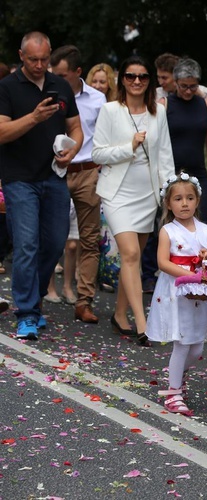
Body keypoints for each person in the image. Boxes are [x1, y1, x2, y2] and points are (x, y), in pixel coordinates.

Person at [0, 31, 83, 339]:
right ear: (21, 56)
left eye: (44, 59)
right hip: (19, 178)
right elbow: (1, 133)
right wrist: (33, 118)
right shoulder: (6, 88)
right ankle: (27, 312)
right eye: (33, 59)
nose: (39, 65)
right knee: (26, 245)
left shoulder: (60, 85)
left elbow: (75, 126)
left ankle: (32, 300)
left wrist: (72, 150)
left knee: (54, 243)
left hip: (54, 177)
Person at [92, 55, 175, 346]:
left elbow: (165, 155)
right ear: (122, 80)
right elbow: (98, 154)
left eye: (142, 76)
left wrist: (170, 193)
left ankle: (119, 314)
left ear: (149, 80)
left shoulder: (159, 113)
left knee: (134, 258)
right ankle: (143, 323)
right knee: (129, 254)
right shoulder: (110, 110)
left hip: (148, 195)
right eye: (130, 76)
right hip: (117, 194)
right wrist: (129, 146)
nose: (136, 81)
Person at [146, 172, 207, 415]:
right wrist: (186, 273)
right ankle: (173, 394)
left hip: (201, 293)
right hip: (177, 291)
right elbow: (162, 262)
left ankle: (177, 375)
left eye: (189, 198)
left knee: (197, 348)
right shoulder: (168, 231)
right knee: (182, 343)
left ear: (197, 201)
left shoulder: (206, 231)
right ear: (169, 204)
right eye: (178, 199)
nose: (184, 203)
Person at [50, 44, 107, 323]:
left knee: (89, 239)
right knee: (50, 234)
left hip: (87, 172)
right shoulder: (47, 95)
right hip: (54, 170)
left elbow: (106, 136)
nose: (57, 79)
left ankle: (84, 301)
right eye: (54, 73)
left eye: (63, 75)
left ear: (78, 72)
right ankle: (44, 290)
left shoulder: (98, 99)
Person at [162, 57, 207, 223]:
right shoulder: (164, 104)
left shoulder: (205, 104)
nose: (187, 91)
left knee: (200, 223)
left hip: (198, 172)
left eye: (192, 86)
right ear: (176, 82)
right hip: (171, 172)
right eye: (183, 86)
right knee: (172, 225)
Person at [85, 62, 120, 293]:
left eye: (102, 81)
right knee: (88, 227)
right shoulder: (84, 105)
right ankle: (85, 272)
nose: (98, 85)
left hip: (109, 169)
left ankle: (108, 273)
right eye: (94, 81)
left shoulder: (116, 108)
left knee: (108, 226)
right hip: (88, 168)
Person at [154, 53, 207, 119]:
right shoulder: (156, 94)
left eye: (164, 78)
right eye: (158, 77)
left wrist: (201, 94)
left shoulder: (199, 90)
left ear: (176, 76)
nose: (160, 82)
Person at [45, 200, 79, 305]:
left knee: (73, 246)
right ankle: (50, 288)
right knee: (52, 243)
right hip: (55, 190)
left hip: (74, 193)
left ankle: (67, 287)